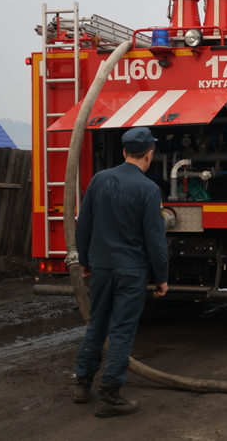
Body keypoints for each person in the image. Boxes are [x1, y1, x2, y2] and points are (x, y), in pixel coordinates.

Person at [73, 127, 169, 417]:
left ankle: (82, 384)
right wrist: (161, 277)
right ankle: (110, 396)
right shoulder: (149, 190)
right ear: (149, 154)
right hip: (131, 271)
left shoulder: (99, 180)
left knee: (96, 324)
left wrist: (86, 263)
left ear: (124, 151)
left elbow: (84, 226)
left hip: (101, 267)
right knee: (122, 331)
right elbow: (155, 239)